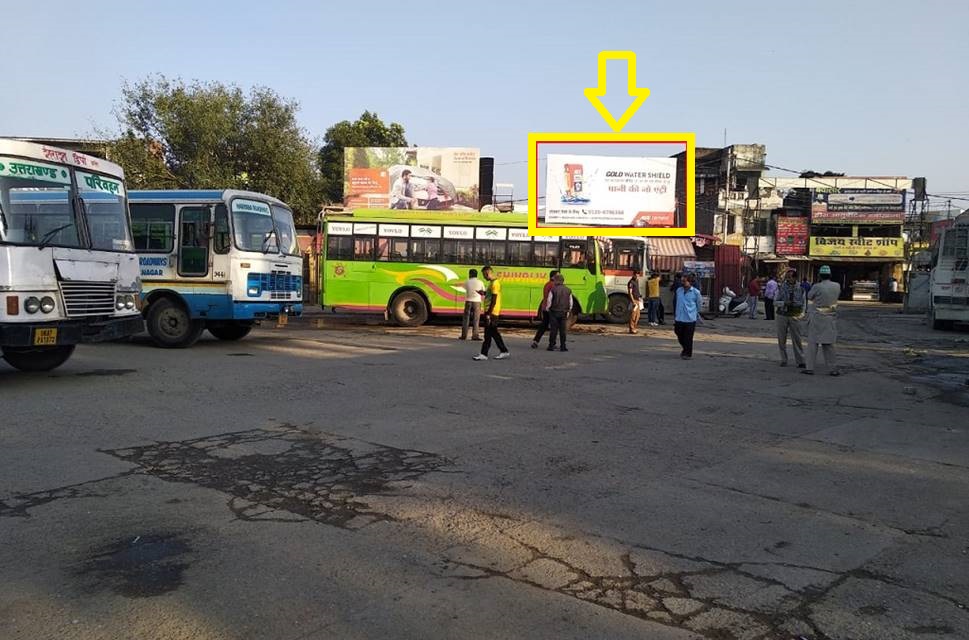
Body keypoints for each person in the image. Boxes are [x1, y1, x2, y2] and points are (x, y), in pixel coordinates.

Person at [802, 265, 841, 376]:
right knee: (829, 345)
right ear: (830, 275)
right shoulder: (837, 286)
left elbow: (809, 297)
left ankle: (810, 368)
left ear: (819, 275)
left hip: (817, 317)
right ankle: (833, 368)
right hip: (830, 317)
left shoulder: (817, 286)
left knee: (813, 344)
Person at [473, 266, 509, 361]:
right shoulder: (492, 283)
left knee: (490, 333)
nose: (484, 277)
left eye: (484, 275)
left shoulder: (495, 284)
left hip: (492, 312)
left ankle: (499, 351)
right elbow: (490, 295)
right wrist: (483, 293)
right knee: (490, 333)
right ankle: (490, 353)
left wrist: (488, 313)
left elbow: (494, 299)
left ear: (489, 273)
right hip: (491, 311)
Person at [774, 268, 805, 368]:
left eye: (790, 277)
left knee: (797, 339)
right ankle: (783, 359)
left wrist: (802, 314)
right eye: (787, 277)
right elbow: (775, 302)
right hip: (782, 314)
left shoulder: (801, 288)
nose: (788, 279)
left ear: (795, 278)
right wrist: (784, 303)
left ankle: (800, 360)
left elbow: (804, 303)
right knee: (781, 338)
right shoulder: (782, 287)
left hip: (795, 315)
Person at [674, 274, 702, 360]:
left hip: (690, 318)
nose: (682, 283)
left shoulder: (696, 292)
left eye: (684, 281)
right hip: (679, 317)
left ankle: (687, 353)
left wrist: (695, 314)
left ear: (690, 282)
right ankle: (685, 348)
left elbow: (699, 305)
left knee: (688, 337)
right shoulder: (679, 290)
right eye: (681, 281)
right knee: (678, 333)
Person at [531, 270, 559, 348]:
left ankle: (536, 341)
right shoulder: (553, 285)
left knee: (543, 325)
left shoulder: (547, 284)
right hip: (551, 308)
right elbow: (552, 298)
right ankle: (552, 343)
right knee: (554, 326)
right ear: (553, 277)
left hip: (545, 307)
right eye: (557, 276)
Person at [545, 274, 573, 352]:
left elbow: (549, 301)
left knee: (553, 330)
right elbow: (571, 302)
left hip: (554, 312)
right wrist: (569, 310)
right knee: (562, 330)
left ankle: (551, 346)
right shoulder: (568, 290)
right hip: (564, 312)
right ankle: (563, 346)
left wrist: (548, 309)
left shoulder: (553, 290)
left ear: (557, 281)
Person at [460, 268, 484, 341]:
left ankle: (464, 335)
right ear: (476, 275)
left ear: (470, 274)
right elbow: (482, 291)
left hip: (468, 301)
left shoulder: (467, 282)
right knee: (476, 319)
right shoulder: (480, 282)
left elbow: (465, 288)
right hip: (477, 302)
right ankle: (475, 336)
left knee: (466, 319)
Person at [627, 269, 643, 334]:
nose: (637, 276)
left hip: (638, 300)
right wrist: (633, 301)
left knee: (638, 315)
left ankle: (635, 327)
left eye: (638, 275)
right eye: (636, 275)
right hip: (634, 301)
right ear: (633, 275)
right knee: (633, 315)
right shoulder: (631, 282)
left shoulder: (637, 281)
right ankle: (632, 328)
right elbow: (630, 292)